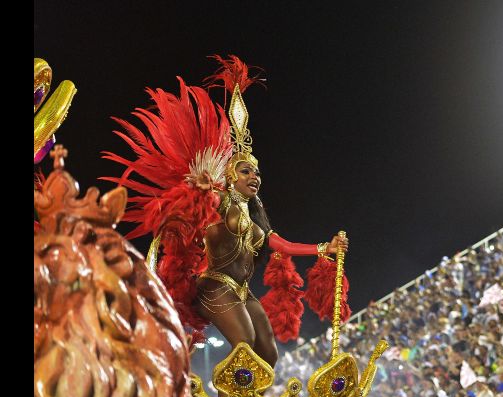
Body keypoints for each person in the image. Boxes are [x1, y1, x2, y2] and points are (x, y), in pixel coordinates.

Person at [103, 55, 348, 368]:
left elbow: (281, 245)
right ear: (231, 176)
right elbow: (199, 205)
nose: (254, 178)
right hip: (215, 286)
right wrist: (201, 189)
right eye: (246, 172)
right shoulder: (221, 201)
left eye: (256, 173)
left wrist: (323, 248)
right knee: (244, 345)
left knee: (268, 353)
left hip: (241, 290)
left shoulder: (254, 216)